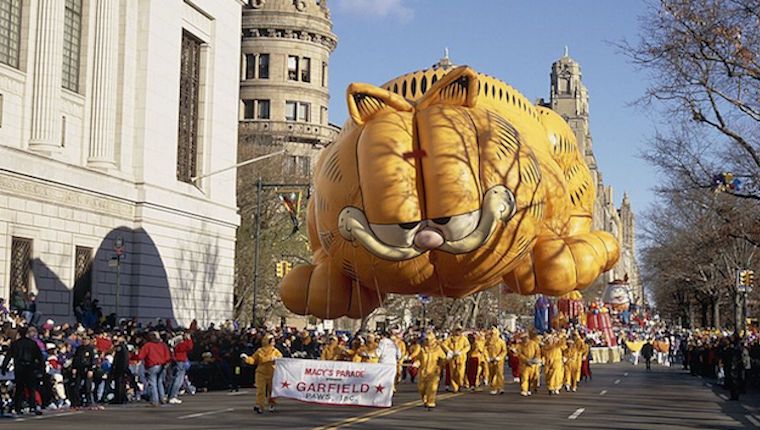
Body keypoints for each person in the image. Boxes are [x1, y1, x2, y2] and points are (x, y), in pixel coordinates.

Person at [1, 327, 44, 415]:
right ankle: (32, 406)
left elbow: (8, 356)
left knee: (19, 389)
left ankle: (18, 407)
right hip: (30, 367)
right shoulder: (32, 343)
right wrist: (41, 368)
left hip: (19, 367)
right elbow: (39, 357)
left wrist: (4, 368)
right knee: (31, 388)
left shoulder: (15, 344)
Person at [242, 334, 282, 414]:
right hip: (261, 373)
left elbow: (281, 360)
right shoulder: (259, 351)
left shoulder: (275, 351)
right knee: (261, 390)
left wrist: (277, 360)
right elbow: (253, 360)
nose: (273, 342)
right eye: (271, 341)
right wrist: (246, 359)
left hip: (272, 373)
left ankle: (272, 403)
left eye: (273, 341)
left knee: (272, 390)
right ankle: (259, 405)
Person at [137, 331, 171, 406]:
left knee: (153, 383)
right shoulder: (163, 345)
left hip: (152, 365)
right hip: (162, 365)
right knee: (160, 382)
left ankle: (155, 400)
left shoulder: (148, 345)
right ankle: (162, 398)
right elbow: (168, 356)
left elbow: (141, 356)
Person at [417, 332, 448, 410]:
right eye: (426, 339)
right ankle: (424, 398)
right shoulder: (422, 349)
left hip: (433, 372)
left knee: (432, 388)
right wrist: (416, 363)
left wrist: (446, 360)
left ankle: (430, 402)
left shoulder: (438, 349)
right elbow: (418, 359)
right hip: (423, 372)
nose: (428, 341)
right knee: (421, 388)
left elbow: (443, 359)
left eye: (429, 339)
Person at [71, 335, 98, 408]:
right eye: (83, 339)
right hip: (79, 369)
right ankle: (77, 402)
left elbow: (94, 360)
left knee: (87, 387)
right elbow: (75, 359)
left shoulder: (92, 349)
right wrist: (74, 367)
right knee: (77, 386)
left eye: (86, 339)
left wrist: (91, 370)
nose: (84, 340)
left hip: (88, 369)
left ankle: (88, 402)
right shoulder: (79, 348)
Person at [168, 331, 194, 404]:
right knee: (178, 379)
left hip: (177, 361)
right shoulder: (179, 344)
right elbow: (189, 347)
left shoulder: (174, 343)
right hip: (180, 361)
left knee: (174, 379)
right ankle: (173, 396)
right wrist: (188, 339)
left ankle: (171, 395)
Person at [443, 326, 469, 393]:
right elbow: (444, 344)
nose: (458, 332)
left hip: (461, 359)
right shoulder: (450, 338)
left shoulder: (464, 339)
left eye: (459, 331)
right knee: (453, 373)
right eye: (457, 330)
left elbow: (468, 346)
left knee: (460, 373)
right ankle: (455, 387)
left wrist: (461, 352)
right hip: (452, 358)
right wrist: (449, 351)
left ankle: (460, 384)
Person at [516, 331, 541, 396]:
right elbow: (519, 354)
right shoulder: (520, 345)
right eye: (523, 338)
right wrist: (526, 360)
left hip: (533, 364)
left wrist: (535, 359)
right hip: (524, 364)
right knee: (524, 377)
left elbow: (538, 352)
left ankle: (530, 388)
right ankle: (524, 390)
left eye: (525, 337)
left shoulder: (534, 344)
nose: (524, 339)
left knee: (532, 378)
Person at [485, 327, 507, 395]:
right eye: (491, 333)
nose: (492, 335)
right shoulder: (488, 341)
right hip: (491, 360)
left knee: (499, 374)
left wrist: (499, 357)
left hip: (499, 361)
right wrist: (487, 357)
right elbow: (485, 349)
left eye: (494, 333)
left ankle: (500, 387)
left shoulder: (501, 342)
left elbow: (504, 351)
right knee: (491, 374)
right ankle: (493, 388)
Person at [109, 335, 130, 404]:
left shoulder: (120, 347)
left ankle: (119, 398)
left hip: (119, 368)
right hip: (123, 368)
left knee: (119, 384)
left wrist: (114, 368)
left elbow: (117, 359)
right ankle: (122, 398)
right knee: (122, 383)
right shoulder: (125, 347)